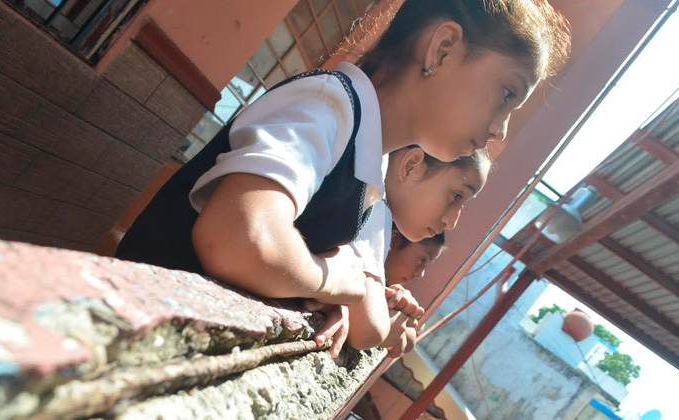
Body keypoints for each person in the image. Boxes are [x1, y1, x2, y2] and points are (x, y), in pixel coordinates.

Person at [115, 0, 571, 358]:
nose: (500, 131)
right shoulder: (329, 103)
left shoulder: (370, 167)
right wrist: (338, 284)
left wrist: (314, 288)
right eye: (507, 93)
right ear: (443, 48)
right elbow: (238, 239)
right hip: (122, 339)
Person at [344, 147, 490, 357]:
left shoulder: (380, 212)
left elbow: (407, 336)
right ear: (411, 165)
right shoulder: (371, 205)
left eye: (462, 205)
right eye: (457, 195)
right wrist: (389, 320)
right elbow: (368, 330)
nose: (451, 222)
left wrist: (396, 309)